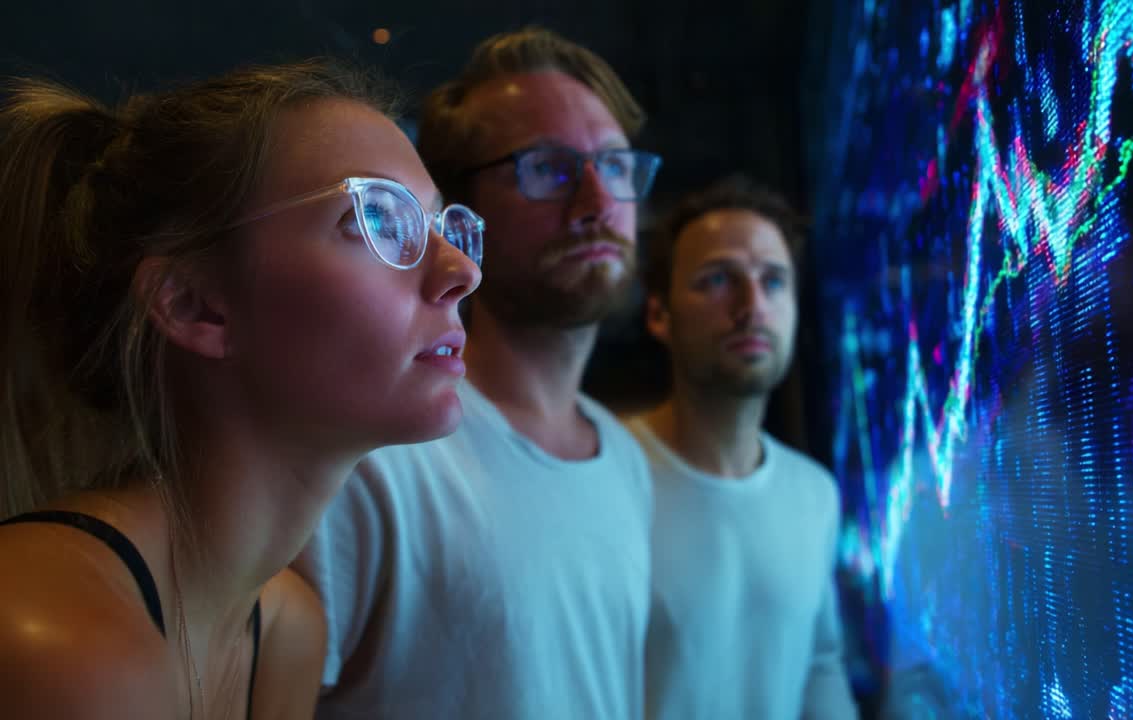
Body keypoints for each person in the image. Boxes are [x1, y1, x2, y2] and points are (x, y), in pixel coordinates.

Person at [0, 60, 482, 719]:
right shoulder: (48, 638)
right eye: (377, 220)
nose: (462, 271)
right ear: (196, 305)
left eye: (441, 226)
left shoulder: (288, 631)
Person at [295, 27, 662, 718]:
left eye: (615, 165)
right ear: (462, 211)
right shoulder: (375, 458)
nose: (596, 202)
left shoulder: (625, 462)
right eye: (548, 168)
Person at [625, 175, 860, 719]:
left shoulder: (813, 494)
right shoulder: (606, 476)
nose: (752, 305)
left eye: (774, 281)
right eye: (717, 280)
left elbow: (820, 666)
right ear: (659, 314)